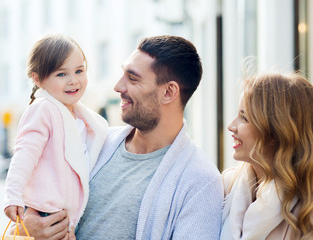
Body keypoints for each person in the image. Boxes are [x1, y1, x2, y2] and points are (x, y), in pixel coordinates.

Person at [20, 35, 223, 240]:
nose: (118, 86)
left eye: (132, 78)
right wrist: (23, 232)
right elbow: (37, 201)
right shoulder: (95, 141)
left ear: (169, 92)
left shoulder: (200, 182)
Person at [3, 34, 108, 235]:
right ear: (37, 79)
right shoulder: (44, 109)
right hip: (45, 211)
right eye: (61, 74)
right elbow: (24, 153)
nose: (73, 80)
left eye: (79, 71)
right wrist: (13, 196)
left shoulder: (80, 116)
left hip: (66, 216)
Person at [221, 72, 313, 239]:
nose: (231, 126)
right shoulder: (226, 186)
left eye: (244, 117)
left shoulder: (307, 210)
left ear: (275, 133)